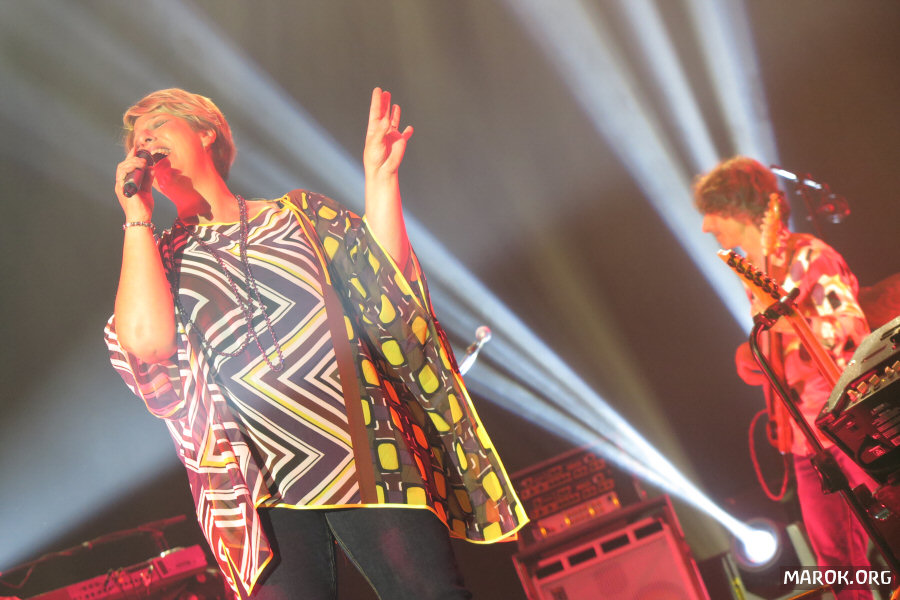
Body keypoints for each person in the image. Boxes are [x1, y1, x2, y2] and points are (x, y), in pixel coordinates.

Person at [104, 87, 527, 599]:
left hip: (364, 451)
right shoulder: (159, 260)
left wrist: (381, 178)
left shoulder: (298, 215)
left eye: (157, 126)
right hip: (258, 486)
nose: (144, 142)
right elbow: (147, 344)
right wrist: (137, 216)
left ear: (206, 132)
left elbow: (384, 288)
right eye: (137, 140)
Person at [694, 157, 874, 600]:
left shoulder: (809, 256)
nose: (705, 226)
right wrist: (757, 357)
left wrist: (790, 327)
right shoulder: (756, 277)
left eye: (712, 212)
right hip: (805, 441)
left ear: (738, 209)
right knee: (837, 564)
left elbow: (852, 332)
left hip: (846, 423)